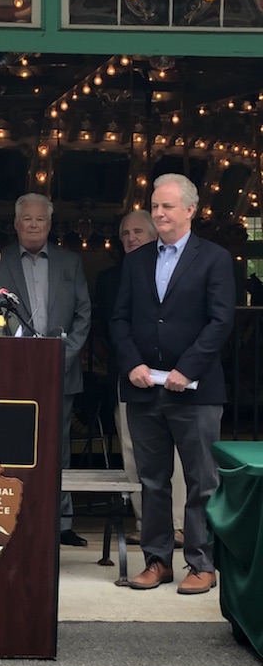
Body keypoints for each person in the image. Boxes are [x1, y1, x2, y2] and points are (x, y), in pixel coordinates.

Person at [110, 173, 235, 594]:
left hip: (195, 392)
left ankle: (201, 563)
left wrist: (188, 369)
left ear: (190, 210)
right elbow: (119, 319)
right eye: (155, 206)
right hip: (144, 388)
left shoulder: (215, 258)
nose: (158, 214)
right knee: (152, 481)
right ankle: (157, 561)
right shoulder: (136, 259)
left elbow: (221, 321)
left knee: (201, 481)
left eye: (166, 207)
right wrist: (132, 365)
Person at [0, 193, 92, 546]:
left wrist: (61, 357)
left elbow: (83, 314)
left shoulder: (70, 263)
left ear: (50, 225)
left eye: (40, 220)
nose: (34, 225)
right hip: (11, 373)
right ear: (16, 224)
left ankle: (61, 523)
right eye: (27, 219)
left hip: (59, 372)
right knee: (10, 444)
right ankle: (13, 516)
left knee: (57, 446)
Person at [96, 210, 186, 547]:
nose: (131, 238)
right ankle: (145, 522)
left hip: (176, 375)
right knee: (135, 453)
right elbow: (111, 326)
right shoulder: (109, 278)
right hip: (130, 373)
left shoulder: (177, 268)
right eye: (125, 233)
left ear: (155, 234)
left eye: (138, 231)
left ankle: (177, 525)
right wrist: (133, 362)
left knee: (175, 453)